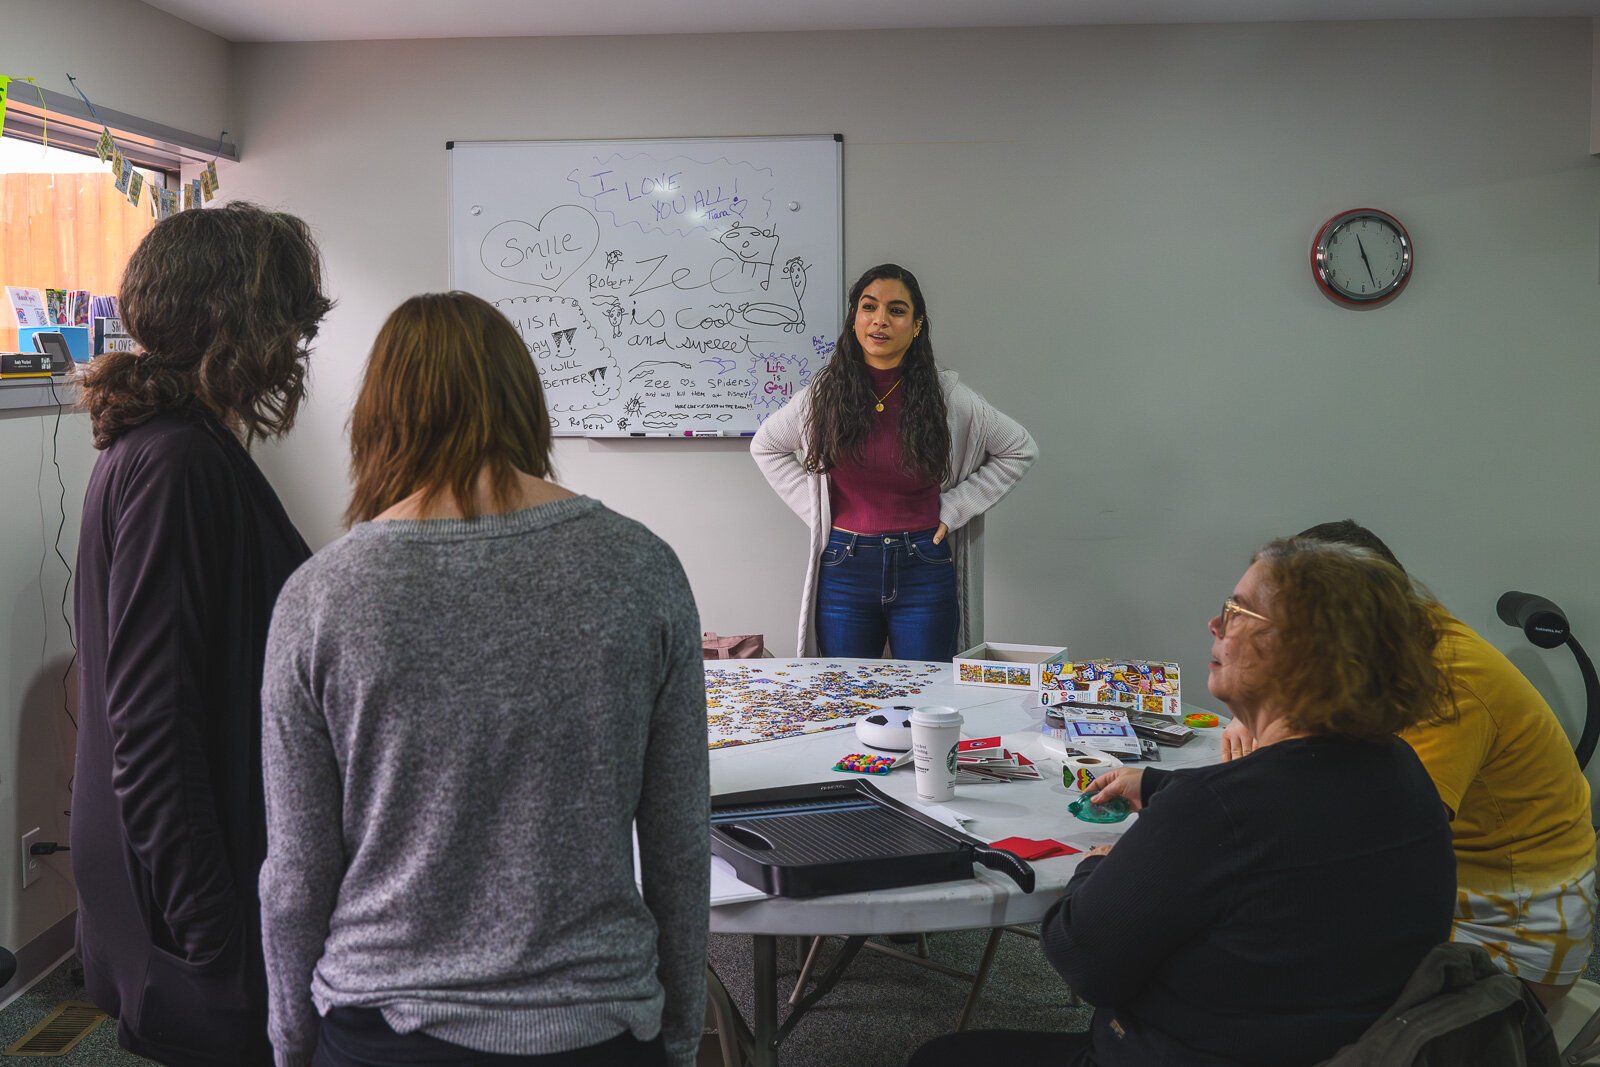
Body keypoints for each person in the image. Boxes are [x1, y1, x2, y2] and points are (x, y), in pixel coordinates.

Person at [259, 292, 709, 1067]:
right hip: (595, 1022)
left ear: (378, 419)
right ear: (523, 404)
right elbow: (678, 842)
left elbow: (296, 875)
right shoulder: (641, 567)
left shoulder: (322, 595)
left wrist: (291, 1040)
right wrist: (682, 1034)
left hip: (379, 1025)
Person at [909, 538, 1457, 1067]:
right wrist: (1158, 788)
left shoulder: (1215, 810)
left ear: (1301, 653)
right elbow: (1293, 824)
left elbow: (1081, 959)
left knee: (937, 1057)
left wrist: (1095, 867)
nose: (1215, 625)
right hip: (1338, 1047)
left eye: (1238, 612)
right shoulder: (1402, 771)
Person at [72, 203, 332, 1065]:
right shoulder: (177, 463)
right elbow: (150, 724)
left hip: (187, 885)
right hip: (191, 905)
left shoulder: (174, 446)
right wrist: (210, 934)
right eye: (288, 319)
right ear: (239, 322)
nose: (298, 342)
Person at [1223, 519, 1595, 1010]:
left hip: (1509, 942)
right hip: (1455, 893)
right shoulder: (1393, 641)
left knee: (1250, 963)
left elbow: (1377, 850)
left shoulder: (1446, 681)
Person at [751, 263, 1036, 660]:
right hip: (844, 565)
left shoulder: (946, 396)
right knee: (846, 695)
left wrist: (955, 508)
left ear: (916, 325)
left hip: (923, 564)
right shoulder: (824, 396)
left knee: (927, 697)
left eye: (897, 310)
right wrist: (818, 512)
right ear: (855, 318)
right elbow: (766, 446)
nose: (880, 320)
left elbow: (1019, 448)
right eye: (869, 307)